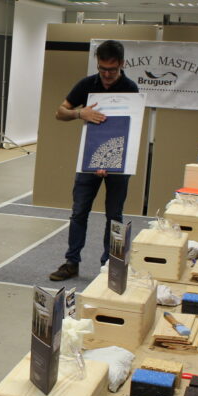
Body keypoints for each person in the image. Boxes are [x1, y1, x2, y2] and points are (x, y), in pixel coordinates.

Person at [49, 39, 138, 282]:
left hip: (118, 163)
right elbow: (59, 112)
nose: (107, 75)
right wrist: (80, 113)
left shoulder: (130, 88)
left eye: (112, 70)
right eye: (102, 69)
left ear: (122, 64)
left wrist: (111, 162)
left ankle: (109, 265)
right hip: (89, 160)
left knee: (114, 215)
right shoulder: (87, 84)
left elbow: (131, 129)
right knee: (79, 212)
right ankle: (71, 262)